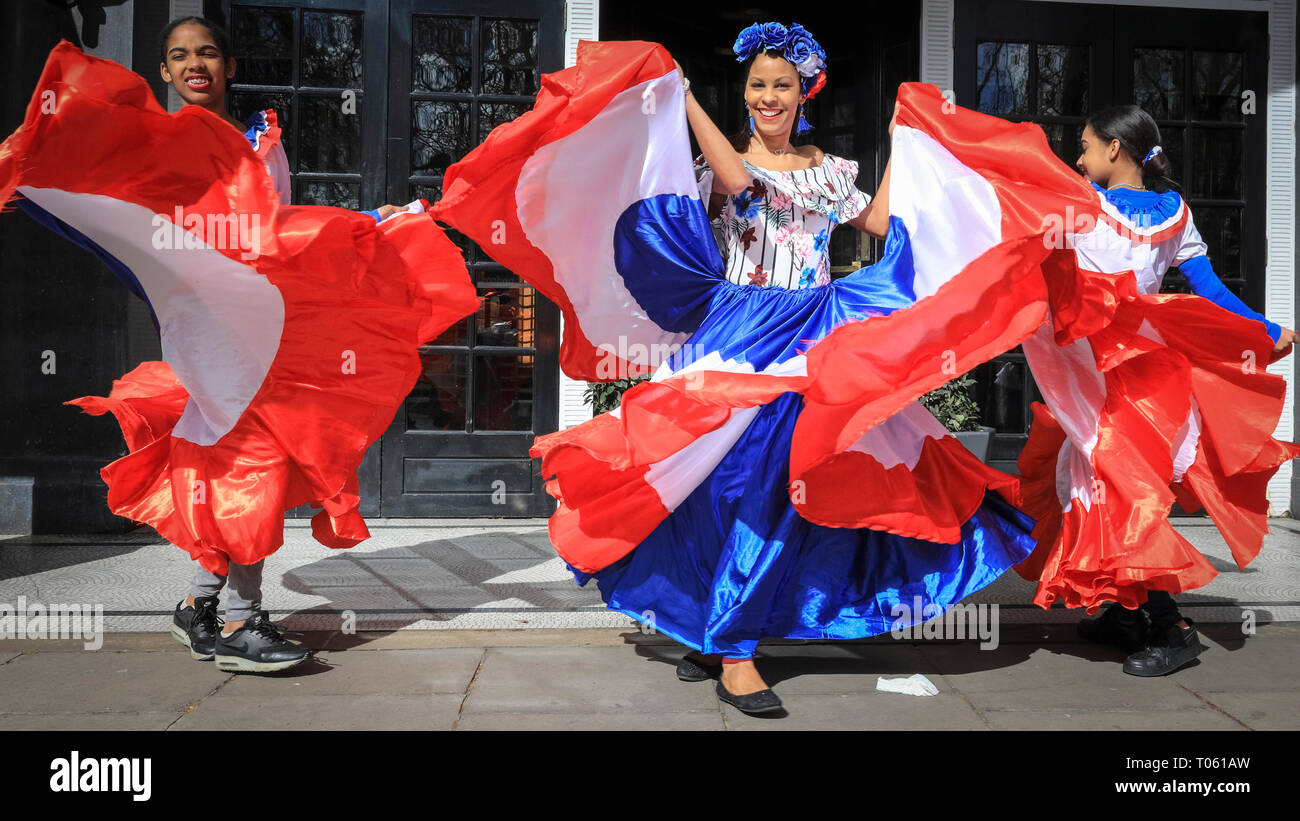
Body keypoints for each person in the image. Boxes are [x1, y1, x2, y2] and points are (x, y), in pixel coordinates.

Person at [491, 24, 1043, 716]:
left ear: (805, 89)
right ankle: (712, 626)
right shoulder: (715, 166)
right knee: (707, 488)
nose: (768, 96)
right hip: (738, 332)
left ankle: (739, 647)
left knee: (780, 487)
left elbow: (877, 221)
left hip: (811, 334)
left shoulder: (832, 171)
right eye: (756, 84)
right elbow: (738, 182)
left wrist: (905, 133)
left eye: (782, 83)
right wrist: (685, 97)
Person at [1059, 105, 1296, 675]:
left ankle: (1172, 627)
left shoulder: (1082, 209)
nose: (1079, 157)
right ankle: (1125, 611)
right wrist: (1267, 330)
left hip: (1110, 376)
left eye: (1086, 147)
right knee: (1098, 485)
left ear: (1114, 150)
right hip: (1138, 375)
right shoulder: (1175, 213)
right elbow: (1208, 286)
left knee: (1121, 494)